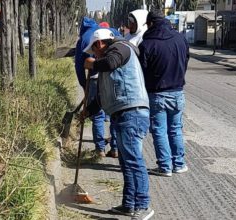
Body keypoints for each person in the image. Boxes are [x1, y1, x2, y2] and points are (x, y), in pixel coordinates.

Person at [83, 28, 154, 219]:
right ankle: (129, 204)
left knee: (133, 161)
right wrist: (87, 112)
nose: (93, 55)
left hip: (132, 112)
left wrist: (93, 64)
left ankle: (143, 205)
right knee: (126, 162)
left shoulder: (120, 48)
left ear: (100, 44)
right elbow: (100, 97)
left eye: (94, 51)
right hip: (121, 114)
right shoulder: (106, 63)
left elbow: (109, 62)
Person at [138, 9, 190, 177]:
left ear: (151, 23)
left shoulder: (147, 44)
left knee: (159, 130)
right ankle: (179, 164)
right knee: (175, 129)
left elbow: (141, 71)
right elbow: (186, 59)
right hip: (177, 91)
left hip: (157, 93)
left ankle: (165, 166)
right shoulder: (180, 38)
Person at [75, 17, 119, 158]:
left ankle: (100, 149)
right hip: (113, 76)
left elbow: (79, 65)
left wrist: (84, 86)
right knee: (114, 113)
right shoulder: (110, 31)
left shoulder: (84, 38)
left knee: (97, 115)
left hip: (93, 79)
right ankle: (115, 148)